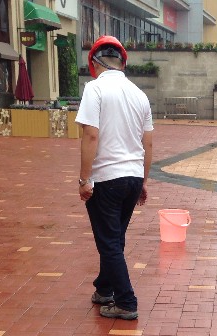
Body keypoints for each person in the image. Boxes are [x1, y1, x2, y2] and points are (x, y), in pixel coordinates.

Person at [76, 35, 153, 320]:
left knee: (108, 242)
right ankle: (104, 288)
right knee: (115, 238)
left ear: (95, 63)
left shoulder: (94, 89)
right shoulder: (139, 94)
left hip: (107, 178)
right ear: (122, 62)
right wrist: (143, 181)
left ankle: (126, 302)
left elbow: (90, 135)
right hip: (132, 177)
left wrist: (84, 180)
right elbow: (148, 143)